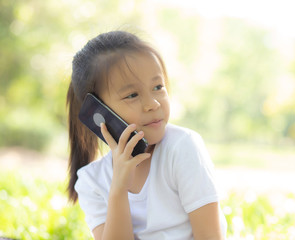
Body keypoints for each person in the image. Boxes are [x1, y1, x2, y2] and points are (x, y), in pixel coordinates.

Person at [66, 30, 227, 240]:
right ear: (98, 113)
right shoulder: (92, 181)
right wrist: (118, 188)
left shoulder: (182, 148)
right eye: (132, 95)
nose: (153, 104)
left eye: (158, 87)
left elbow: (210, 237)